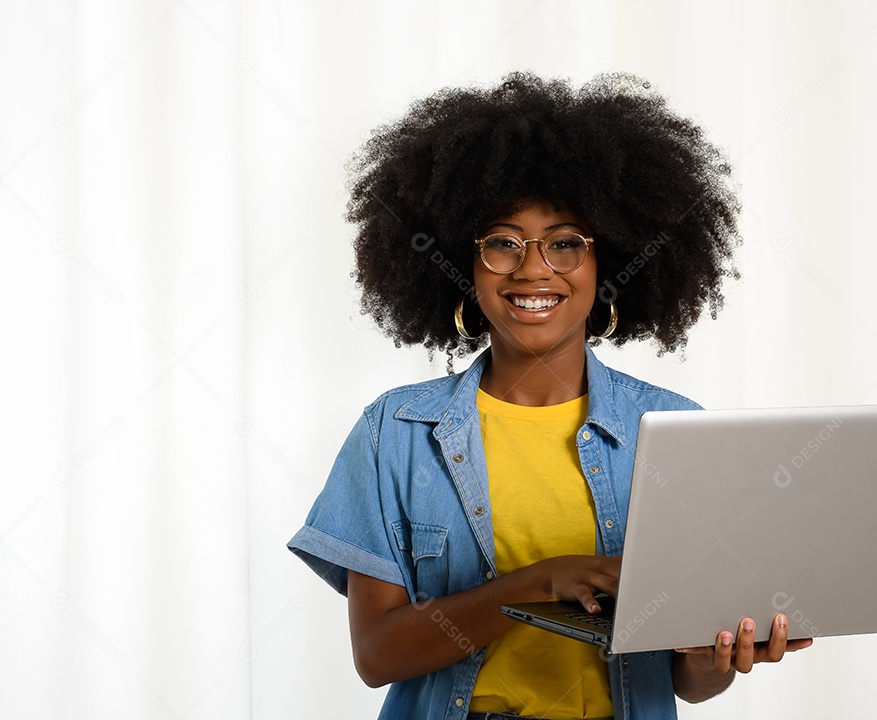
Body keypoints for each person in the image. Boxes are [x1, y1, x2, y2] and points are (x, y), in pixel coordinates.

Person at [288, 71, 811, 720]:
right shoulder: (395, 430)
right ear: (463, 265)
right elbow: (377, 654)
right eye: (503, 243)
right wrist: (536, 583)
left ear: (608, 265)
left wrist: (716, 657)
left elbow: (686, 679)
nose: (534, 268)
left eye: (566, 243)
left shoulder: (673, 431)